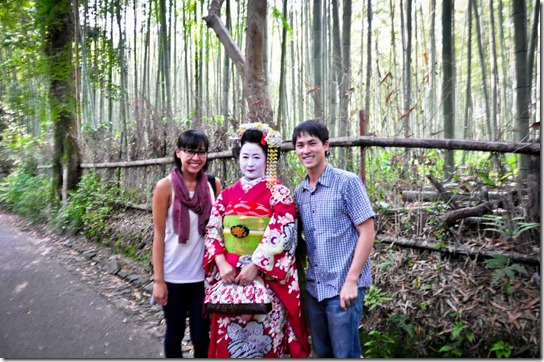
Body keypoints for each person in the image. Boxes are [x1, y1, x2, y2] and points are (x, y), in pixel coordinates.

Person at [203, 123, 310, 358]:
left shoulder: (278, 193)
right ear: (238, 158)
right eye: (245, 157)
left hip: (265, 281)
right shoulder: (226, 194)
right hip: (229, 279)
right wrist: (220, 263)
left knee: (265, 340)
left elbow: (283, 233)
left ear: (267, 160)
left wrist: (255, 266)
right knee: (228, 341)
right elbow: (212, 230)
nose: (250, 163)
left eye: (256, 157)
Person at [291, 120, 376, 358]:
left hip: (342, 289)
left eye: (312, 143)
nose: (306, 150)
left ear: (326, 145)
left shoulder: (346, 183)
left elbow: (367, 232)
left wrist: (351, 281)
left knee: (345, 354)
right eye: (300, 145)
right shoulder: (300, 192)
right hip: (315, 289)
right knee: (323, 354)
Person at [151, 130, 222, 358]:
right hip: (174, 276)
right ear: (178, 152)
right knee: (175, 333)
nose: (196, 158)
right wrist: (159, 280)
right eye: (190, 151)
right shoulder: (165, 187)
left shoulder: (213, 185)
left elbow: (220, 231)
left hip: (204, 277)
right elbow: (159, 235)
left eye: (201, 152)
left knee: (202, 336)